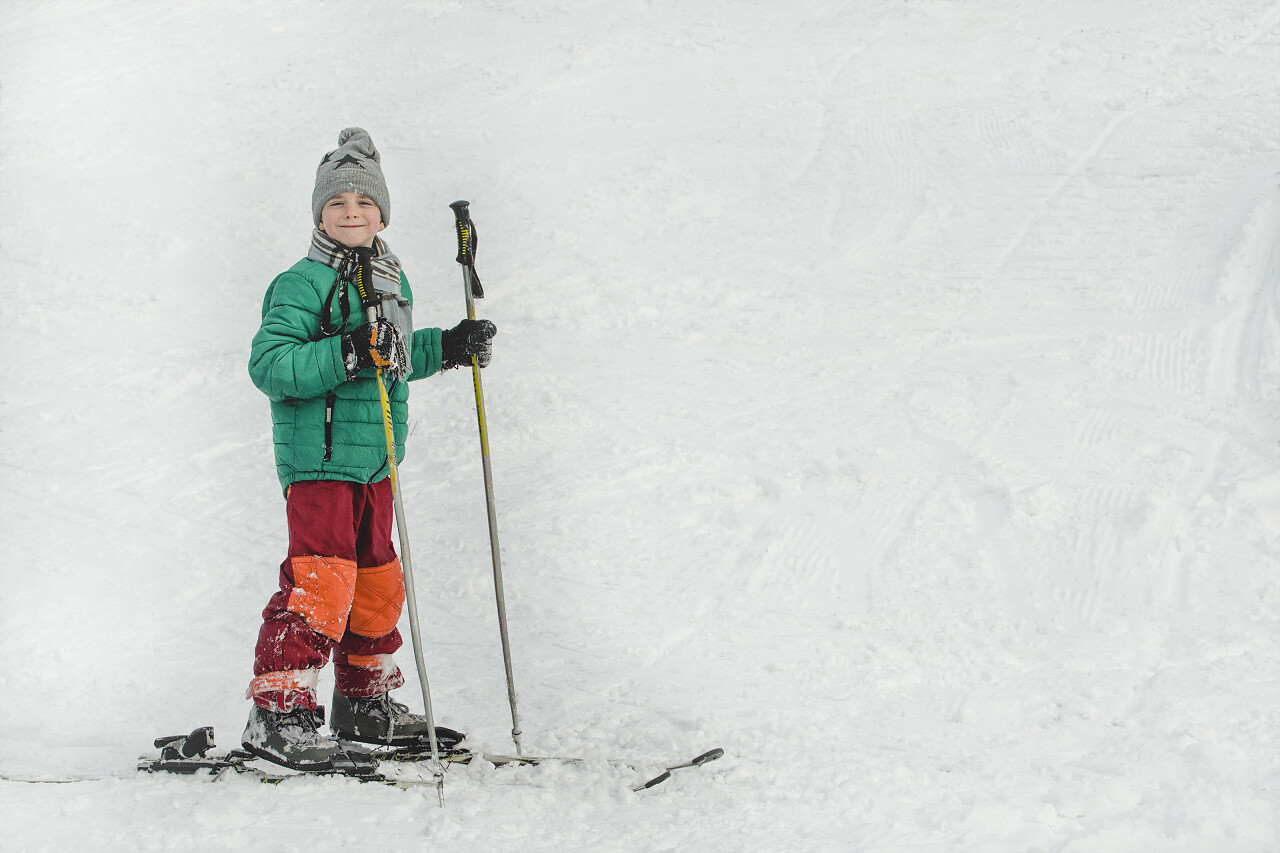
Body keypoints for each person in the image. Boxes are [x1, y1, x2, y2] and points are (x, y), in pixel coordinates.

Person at [240, 127, 496, 771]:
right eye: (337, 203)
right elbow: (271, 365)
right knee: (320, 583)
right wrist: (351, 349)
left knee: (379, 582)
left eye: (363, 202)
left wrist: (449, 346)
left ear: (382, 213)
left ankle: (364, 700)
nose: (350, 212)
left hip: (376, 458)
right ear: (319, 215)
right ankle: (280, 709)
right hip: (320, 458)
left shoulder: (390, 281)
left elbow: (394, 361)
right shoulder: (300, 283)